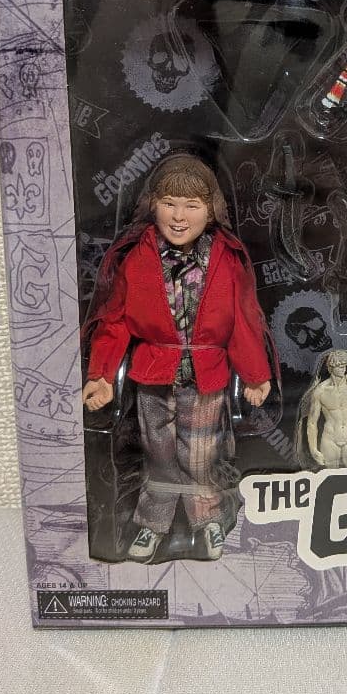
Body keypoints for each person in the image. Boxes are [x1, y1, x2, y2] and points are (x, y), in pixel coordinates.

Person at [82, 154, 274, 562]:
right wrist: (100, 374)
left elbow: (243, 320)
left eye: (192, 205)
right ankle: (153, 522)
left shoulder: (226, 258)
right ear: (153, 204)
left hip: (206, 376)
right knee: (158, 454)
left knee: (200, 455)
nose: (179, 216)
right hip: (152, 375)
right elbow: (115, 320)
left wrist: (256, 374)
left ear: (211, 210)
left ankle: (208, 519)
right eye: (169, 203)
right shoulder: (137, 258)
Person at [299, 350, 347, 468]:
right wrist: (313, 449)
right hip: (330, 440)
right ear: (331, 367)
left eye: (344, 365)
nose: (343, 369)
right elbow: (312, 423)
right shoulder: (320, 390)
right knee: (330, 475)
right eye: (339, 366)